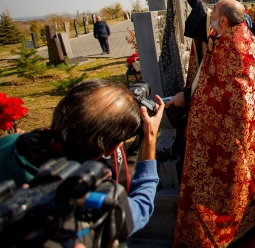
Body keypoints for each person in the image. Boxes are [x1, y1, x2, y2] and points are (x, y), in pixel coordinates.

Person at [171, 0, 255, 247]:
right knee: (251, 166)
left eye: (213, 12)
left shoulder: (230, 46)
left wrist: (185, 96)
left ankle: (224, 226)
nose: (209, 17)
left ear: (224, 20)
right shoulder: (244, 33)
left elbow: (223, 91)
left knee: (231, 171)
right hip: (253, 115)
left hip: (235, 120)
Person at [0, 79, 163, 236]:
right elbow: (139, 209)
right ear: (111, 148)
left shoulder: (10, 142)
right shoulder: (89, 195)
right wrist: (149, 136)